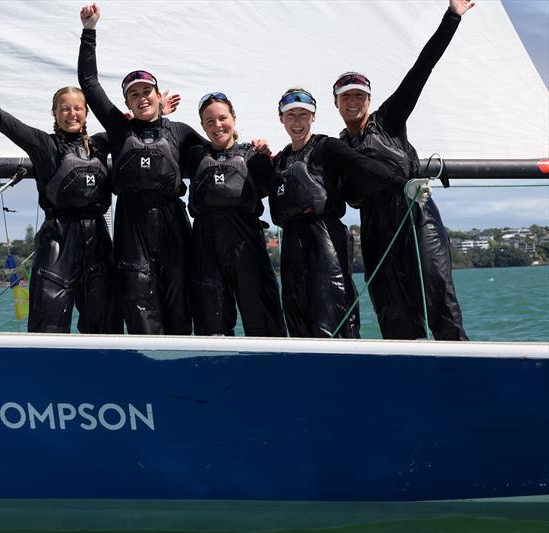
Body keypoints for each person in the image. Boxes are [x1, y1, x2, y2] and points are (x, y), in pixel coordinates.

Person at [0, 57, 121, 334]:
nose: (72, 114)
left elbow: (130, 128)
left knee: (105, 323)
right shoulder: (43, 144)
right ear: (54, 113)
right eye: (64, 109)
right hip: (59, 237)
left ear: (87, 112)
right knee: (48, 324)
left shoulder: (102, 144)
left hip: (98, 240)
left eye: (78, 108)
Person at [333, 0, 472, 340]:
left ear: (369, 99)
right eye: (346, 96)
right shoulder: (333, 149)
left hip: (415, 214)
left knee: (437, 298)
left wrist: (452, 17)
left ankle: (462, 374)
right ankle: (412, 378)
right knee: (394, 315)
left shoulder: (389, 118)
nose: (354, 102)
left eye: (360, 96)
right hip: (375, 228)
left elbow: (422, 67)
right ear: (336, 102)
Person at [77, 3, 207, 335]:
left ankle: (180, 371)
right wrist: (89, 31)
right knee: (138, 301)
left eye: (146, 91)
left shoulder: (179, 131)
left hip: (172, 221)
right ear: (127, 103)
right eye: (134, 94)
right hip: (131, 223)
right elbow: (89, 84)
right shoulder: (120, 130)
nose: (141, 97)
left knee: (178, 305)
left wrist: (257, 150)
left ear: (158, 95)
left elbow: (219, 150)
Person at [272, 88, 418, 338]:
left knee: (333, 318)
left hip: (326, 240)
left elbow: (363, 164)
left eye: (303, 115)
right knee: (298, 319)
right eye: (291, 115)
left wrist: (403, 183)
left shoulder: (328, 146)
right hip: (292, 245)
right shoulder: (278, 161)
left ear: (313, 117)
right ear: (281, 119)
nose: (297, 122)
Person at [185, 93, 285, 336]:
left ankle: (271, 369)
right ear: (202, 126)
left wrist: (268, 153)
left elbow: (286, 179)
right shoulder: (192, 155)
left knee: (262, 321)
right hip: (205, 247)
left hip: (246, 244)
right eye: (209, 121)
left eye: (222, 118)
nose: (217, 125)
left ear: (234, 119)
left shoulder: (254, 157)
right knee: (211, 326)